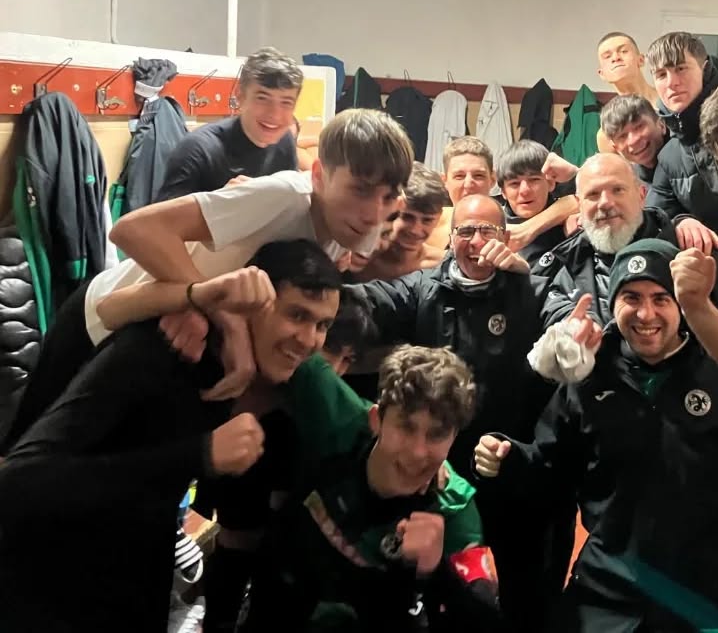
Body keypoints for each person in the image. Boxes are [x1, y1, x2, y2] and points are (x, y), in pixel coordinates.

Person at [475, 239, 718, 633]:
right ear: (613, 303)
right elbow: (549, 467)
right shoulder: (590, 376)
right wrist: (506, 457)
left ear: (682, 305)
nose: (645, 313)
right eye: (631, 298)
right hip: (613, 590)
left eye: (660, 298)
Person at [1, 108, 410, 455]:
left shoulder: (348, 228)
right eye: (360, 190)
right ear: (318, 175)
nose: (374, 213)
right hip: (100, 326)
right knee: (28, 457)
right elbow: (132, 230)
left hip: (168, 350)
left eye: (389, 197)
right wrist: (222, 318)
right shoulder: (284, 197)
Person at [0, 239, 342, 633]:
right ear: (250, 303)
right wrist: (199, 455)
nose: (309, 340)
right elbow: (18, 481)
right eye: (297, 315)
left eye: (322, 325)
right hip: (45, 590)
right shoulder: (157, 352)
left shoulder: (251, 387)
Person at [349, 193, 569, 633]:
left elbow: (564, 319)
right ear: (450, 239)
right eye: (465, 231)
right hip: (438, 469)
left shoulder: (532, 286)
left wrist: (575, 332)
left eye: (487, 230)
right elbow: (370, 301)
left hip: (512, 465)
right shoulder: (425, 287)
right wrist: (317, 295)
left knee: (524, 589)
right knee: (444, 585)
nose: (477, 241)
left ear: (505, 236)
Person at [239, 345, 502, 633]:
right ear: (376, 420)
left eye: (437, 434)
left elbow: (485, 621)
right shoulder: (340, 418)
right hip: (275, 598)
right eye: (406, 426)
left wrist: (435, 573)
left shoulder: (455, 513)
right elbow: (279, 340)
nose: (418, 452)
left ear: (454, 438)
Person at [536, 153, 718, 329]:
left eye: (618, 190)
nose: (605, 203)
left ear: (641, 195)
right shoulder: (565, 267)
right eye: (593, 194)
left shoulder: (693, 247)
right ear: (579, 205)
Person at [644, 31, 718, 288]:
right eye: (661, 74)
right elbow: (654, 215)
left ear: (705, 69)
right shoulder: (670, 155)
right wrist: (680, 221)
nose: (672, 82)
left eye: (681, 68)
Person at [156, 47, 303, 201]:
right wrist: (222, 201)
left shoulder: (284, 141)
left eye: (286, 102)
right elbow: (161, 216)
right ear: (240, 96)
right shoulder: (198, 149)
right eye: (262, 98)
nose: (275, 114)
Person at [359, 164, 448, 280]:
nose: (415, 230)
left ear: (438, 218)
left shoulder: (443, 267)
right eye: (407, 217)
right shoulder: (358, 259)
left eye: (427, 220)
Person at [496, 140, 577, 266]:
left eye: (534, 180)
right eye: (514, 183)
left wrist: (575, 174)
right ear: (503, 192)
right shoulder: (492, 230)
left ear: (550, 183)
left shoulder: (572, 221)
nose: (524, 191)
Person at [598, 94, 670, 184]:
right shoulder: (630, 185)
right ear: (616, 148)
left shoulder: (686, 156)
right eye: (622, 136)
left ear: (661, 125)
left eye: (639, 127)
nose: (633, 140)